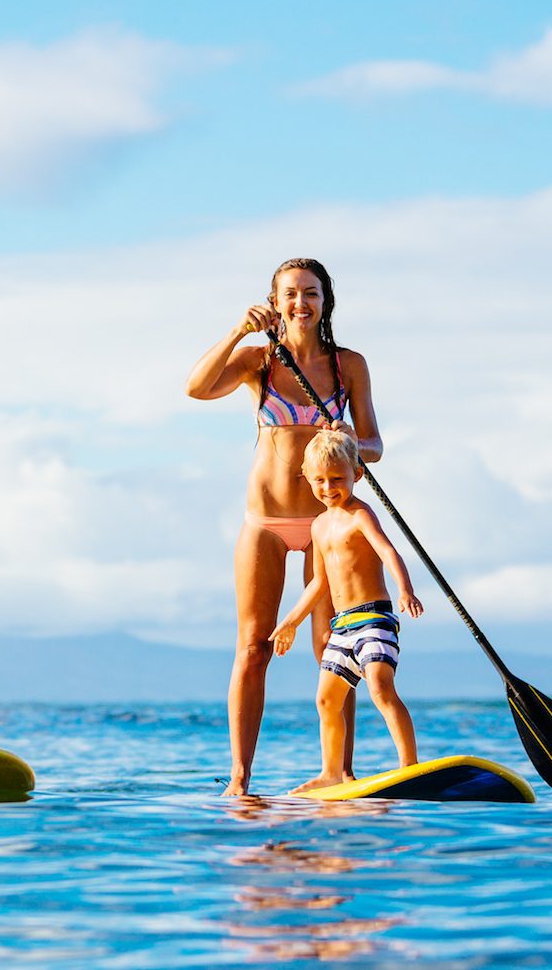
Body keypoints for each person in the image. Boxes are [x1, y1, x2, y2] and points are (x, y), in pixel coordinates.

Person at [185, 258, 382, 796]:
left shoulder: (349, 366)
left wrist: (350, 442)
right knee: (254, 646)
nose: (301, 303)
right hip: (267, 522)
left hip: (329, 524)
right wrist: (236, 331)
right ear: (275, 302)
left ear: (326, 301)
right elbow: (196, 389)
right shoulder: (259, 360)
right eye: (290, 294)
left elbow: (375, 446)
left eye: (311, 293)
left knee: (335, 646)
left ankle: (338, 772)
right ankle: (240, 780)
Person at [269, 429, 423, 792]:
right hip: (342, 627)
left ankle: (409, 766)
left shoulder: (360, 515)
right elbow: (318, 583)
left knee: (381, 688)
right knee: (326, 699)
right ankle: (331, 771)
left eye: (337, 478)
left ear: (358, 474)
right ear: (306, 477)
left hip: (374, 618)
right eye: (319, 480)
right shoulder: (319, 525)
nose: (328, 487)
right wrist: (290, 621)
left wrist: (405, 589)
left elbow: (388, 551)